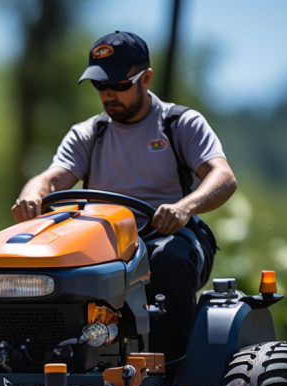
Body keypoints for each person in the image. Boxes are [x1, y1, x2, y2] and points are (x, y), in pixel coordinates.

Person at [12, 30, 237, 365]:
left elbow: (223, 178)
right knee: (48, 267)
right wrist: (33, 194)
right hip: (104, 242)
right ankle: (43, 365)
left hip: (172, 237)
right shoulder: (90, 133)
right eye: (100, 86)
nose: (108, 95)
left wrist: (183, 208)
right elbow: (50, 178)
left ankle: (167, 374)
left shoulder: (180, 124)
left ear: (146, 78)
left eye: (118, 85)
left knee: (168, 260)